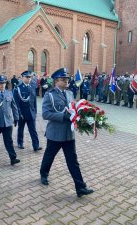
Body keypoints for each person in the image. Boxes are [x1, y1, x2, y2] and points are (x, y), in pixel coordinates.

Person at [39, 67, 94, 198]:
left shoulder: (69, 93)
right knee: (49, 156)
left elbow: (74, 109)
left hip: (69, 134)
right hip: (55, 134)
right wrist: (62, 116)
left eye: (67, 79)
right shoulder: (50, 94)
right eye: (64, 79)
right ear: (57, 81)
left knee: (73, 161)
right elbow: (46, 114)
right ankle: (43, 173)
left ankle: (80, 187)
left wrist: (82, 116)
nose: (66, 81)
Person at [13, 71, 42, 151]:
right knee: (21, 128)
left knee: (33, 130)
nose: (29, 79)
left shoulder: (32, 87)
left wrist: (35, 111)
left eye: (30, 77)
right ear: (22, 78)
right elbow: (16, 103)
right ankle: (20, 143)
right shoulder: (18, 88)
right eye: (27, 77)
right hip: (22, 113)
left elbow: (34, 101)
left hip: (31, 113)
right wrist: (18, 113)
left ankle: (36, 145)